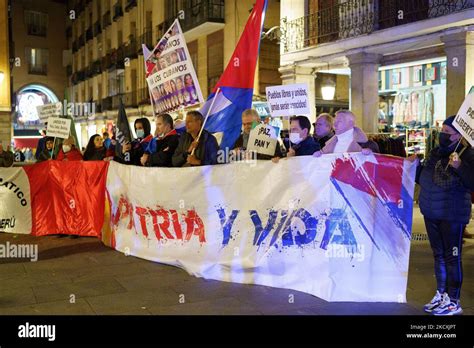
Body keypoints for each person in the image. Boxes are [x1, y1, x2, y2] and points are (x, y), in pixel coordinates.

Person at [411, 115, 474, 316]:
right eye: (442, 131)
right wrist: (415, 167)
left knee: (451, 257)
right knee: (438, 255)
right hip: (431, 211)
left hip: (452, 214)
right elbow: (424, 178)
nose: (443, 135)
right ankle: (441, 293)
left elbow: (472, 182)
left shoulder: (468, 154)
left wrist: (459, 167)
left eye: (448, 132)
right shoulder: (436, 152)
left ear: (458, 135)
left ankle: (453, 300)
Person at [312, 110, 379, 157]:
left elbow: (376, 167)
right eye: (335, 121)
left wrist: (371, 154)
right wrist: (320, 155)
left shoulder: (368, 145)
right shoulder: (329, 145)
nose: (335, 124)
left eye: (339, 121)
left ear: (351, 123)